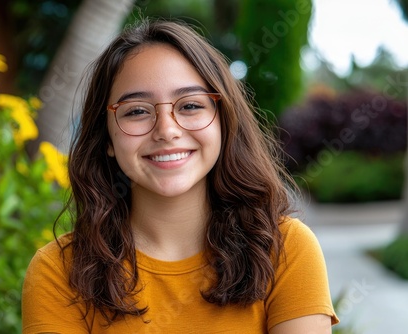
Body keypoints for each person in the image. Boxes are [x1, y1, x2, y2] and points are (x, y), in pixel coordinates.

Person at [22, 19, 339, 333]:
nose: (167, 130)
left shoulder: (286, 249)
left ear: (223, 121)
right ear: (106, 138)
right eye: (136, 111)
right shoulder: (58, 272)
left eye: (189, 105)